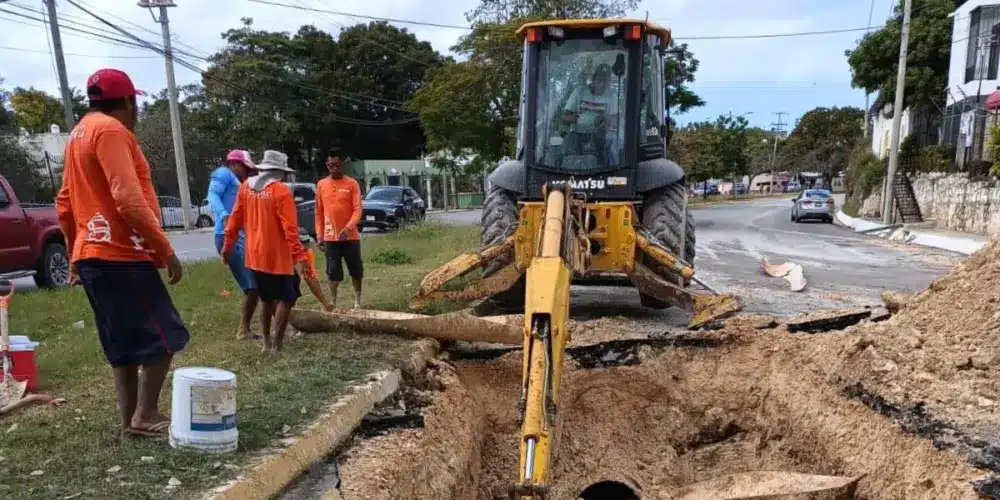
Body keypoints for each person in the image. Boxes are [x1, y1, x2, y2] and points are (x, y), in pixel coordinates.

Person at [56, 68, 188, 438]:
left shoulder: (78, 134)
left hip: (92, 255)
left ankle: (129, 419)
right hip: (120, 253)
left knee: (122, 342)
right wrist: (164, 249)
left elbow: (64, 204)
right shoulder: (112, 131)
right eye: (136, 103)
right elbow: (128, 199)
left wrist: (73, 255)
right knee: (167, 335)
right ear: (129, 101)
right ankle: (146, 414)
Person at [222, 150, 307, 354]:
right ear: (279, 172)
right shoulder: (281, 192)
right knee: (287, 299)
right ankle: (277, 345)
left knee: (266, 299)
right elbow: (290, 229)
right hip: (278, 258)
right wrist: (299, 256)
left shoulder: (246, 188)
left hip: (254, 256)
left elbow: (234, 220)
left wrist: (227, 247)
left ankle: (266, 344)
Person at [208, 150, 259, 340]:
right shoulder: (223, 174)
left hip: (240, 235)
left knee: (254, 285)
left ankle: (245, 329)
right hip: (227, 234)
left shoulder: (241, 183)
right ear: (234, 164)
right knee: (251, 285)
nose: (247, 171)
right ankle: (243, 330)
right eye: (244, 167)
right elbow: (212, 195)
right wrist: (223, 215)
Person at [315, 151, 364, 309]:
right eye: (330, 165)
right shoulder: (321, 184)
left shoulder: (352, 184)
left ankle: (357, 301)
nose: (333, 168)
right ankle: (333, 302)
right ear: (327, 165)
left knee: (356, 270)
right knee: (333, 273)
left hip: (350, 237)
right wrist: (319, 236)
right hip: (330, 238)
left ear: (341, 164)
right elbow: (318, 213)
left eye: (336, 164)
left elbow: (357, 210)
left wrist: (348, 228)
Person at [561, 63, 622, 164]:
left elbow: (617, 120)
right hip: (578, 135)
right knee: (569, 140)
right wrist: (573, 118)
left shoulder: (612, 96)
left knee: (614, 143)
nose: (602, 84)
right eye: (600, 80)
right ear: (593, 79)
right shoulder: (579, 92)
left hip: (601, 137)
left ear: (609, 82)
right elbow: (564, 118)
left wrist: (605, 119)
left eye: (606, 81)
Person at [298, 229, 335, 312]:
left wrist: (326, 304)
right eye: (302, 245)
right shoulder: (284, 253)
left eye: (306, 246)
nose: (305, 249)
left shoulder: (308, 252)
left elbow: (311, 279)